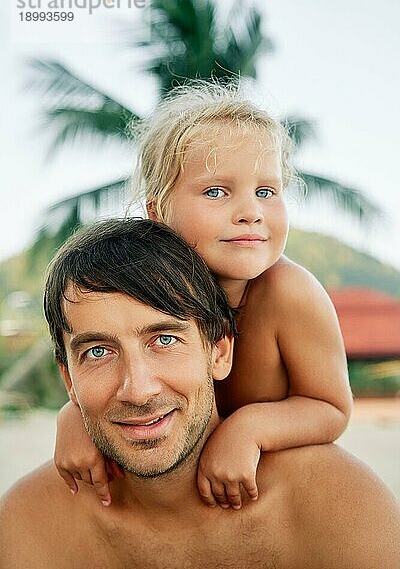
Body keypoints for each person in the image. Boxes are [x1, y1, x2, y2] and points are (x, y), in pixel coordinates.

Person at [1, 218, 399, 569]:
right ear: (69, 378)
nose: (138, 390)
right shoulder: (29, 524)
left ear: (219, 351)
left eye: (165, 340)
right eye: (98, 352)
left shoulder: (334, 505)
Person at [55, 81, 354, 509]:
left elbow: (331, 408)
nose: (250, 211)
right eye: (217, 191)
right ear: (158, 212)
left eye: (266, 192)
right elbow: (100, 359)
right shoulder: (147, 292)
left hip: (277, 497)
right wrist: (73, 418)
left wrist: (248, 429)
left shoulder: (288, 293)